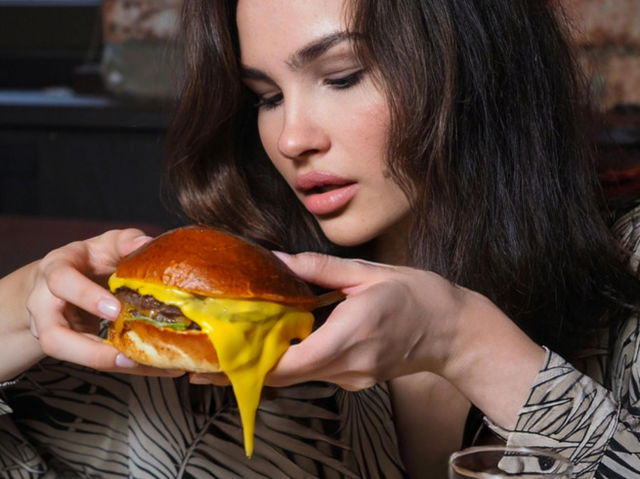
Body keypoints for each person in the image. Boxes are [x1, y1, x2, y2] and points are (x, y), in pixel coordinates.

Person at [1, 0, 639, 477]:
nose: (290, 138)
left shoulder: (628, 279)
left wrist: (464, 341)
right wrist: (24, 305)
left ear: (477, 63)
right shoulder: (221, 334)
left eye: (342, 76)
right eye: (267, 96)